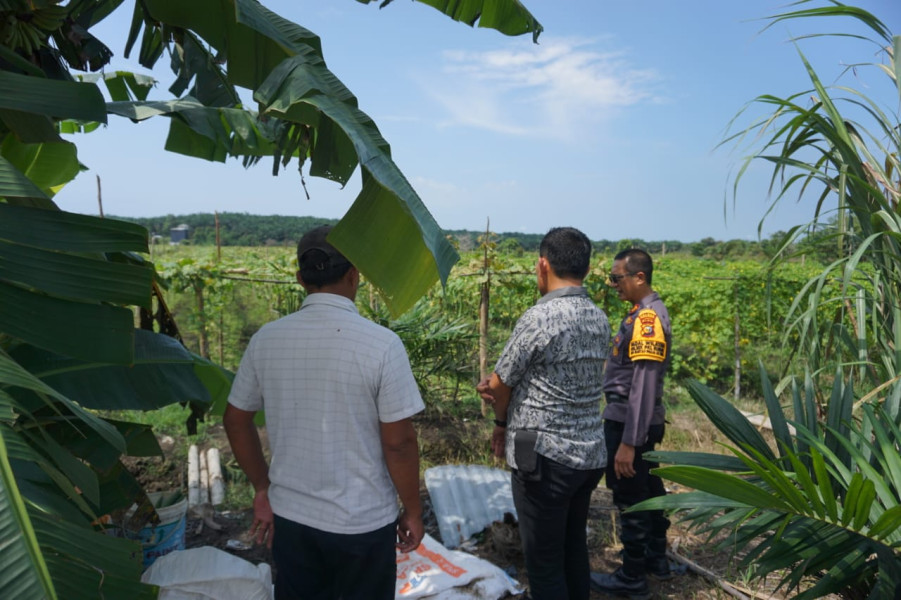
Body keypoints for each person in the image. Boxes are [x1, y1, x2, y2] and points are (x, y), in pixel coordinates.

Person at [223, 225, 424, 600]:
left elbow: (236, 420)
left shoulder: (266, 339)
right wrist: (412, 510)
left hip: (292, 519)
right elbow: (399, 444)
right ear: (354, 275)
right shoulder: (382, 345)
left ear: (300, 279)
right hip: (362, 522)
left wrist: (263, 488)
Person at [477, 227, 610, 600]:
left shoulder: (540, 317)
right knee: (572, 550)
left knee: (544, 561)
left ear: (542, 265)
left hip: (540, 453)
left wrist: (499, 421)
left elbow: (500, 385)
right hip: (588, 452)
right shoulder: (598, 317)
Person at [590, 248, 672, 600]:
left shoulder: (648, 319)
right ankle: (657, 560)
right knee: (649, 490)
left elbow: (643, 383)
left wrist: (629, 442)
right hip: (633, 418)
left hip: (629, 420)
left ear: (640, 277)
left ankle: (632, 576)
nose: (613, 284)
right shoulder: (641, 314)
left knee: (630, 496)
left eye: (617, 278)